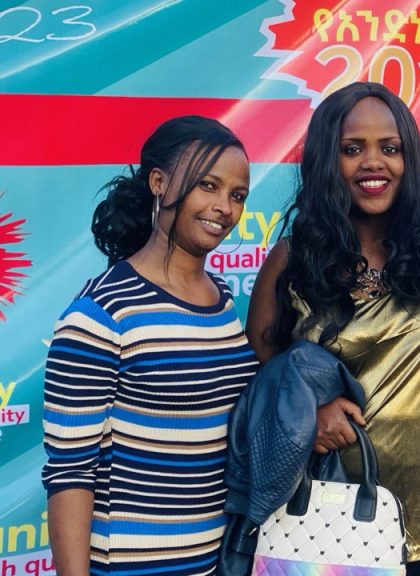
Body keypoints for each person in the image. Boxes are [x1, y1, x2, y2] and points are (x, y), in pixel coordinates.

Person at [245, 82, 420, 576]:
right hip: (322, 518)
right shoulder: (295, 259)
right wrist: (308, 412)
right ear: (328, 161)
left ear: (409, 158)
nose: (374, 163)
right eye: (352, 149)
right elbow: (262, 371)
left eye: (389, 149)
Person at [41, 116, 257, 576]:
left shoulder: (222, 301)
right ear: (158, 182)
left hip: (212, 563)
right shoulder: (103, 313)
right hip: (128, 566)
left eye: (237, 195)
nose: (223, 207)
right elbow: (69, 474)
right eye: (207, 185)